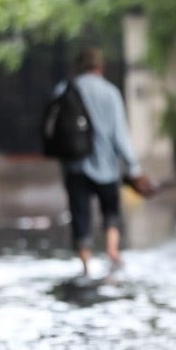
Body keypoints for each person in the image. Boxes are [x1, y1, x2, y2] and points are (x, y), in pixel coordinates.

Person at [55, 46, 147, 280]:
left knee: (80, 213)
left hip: (74, 166)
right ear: (100, 67)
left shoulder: (63, 90)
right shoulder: (110, 93)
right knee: (110, 210)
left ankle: (85, 263)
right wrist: (134, 168)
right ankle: (112, 250)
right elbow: (120, 136)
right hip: (106, 167)